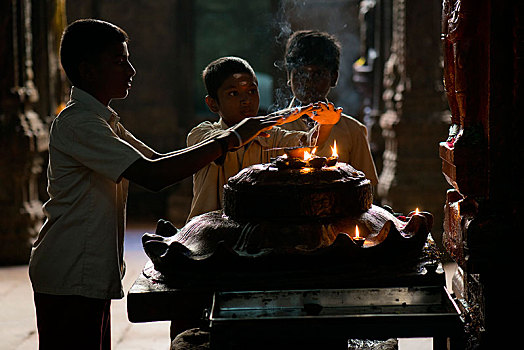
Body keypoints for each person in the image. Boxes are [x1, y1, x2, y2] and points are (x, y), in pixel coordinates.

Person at [28, 19, 286, 350]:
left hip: (83, 270)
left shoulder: (104, 120)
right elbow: (153, 175)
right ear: (88, 71)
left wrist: (228, 142)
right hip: (68, 269)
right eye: (119, 62)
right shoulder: (79, 123)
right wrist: (231, 138)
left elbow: (160, 159)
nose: (131, 71)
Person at [186, 56, 341, 220]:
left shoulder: (271, 136)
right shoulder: (201, 134)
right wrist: (275, 118)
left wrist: (326, 124)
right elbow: (225, 142)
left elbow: (308, 143)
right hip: (207, 234)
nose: (246, 100)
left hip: (254, 232)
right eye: (233, 93)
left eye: (252, 91)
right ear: (212, 104)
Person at [279, 30, 379, 185]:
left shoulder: (353, 131)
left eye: (318, 73)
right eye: (300, 73)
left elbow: (367, 186)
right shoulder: (273, 128)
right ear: (288, 77)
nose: (308, 81)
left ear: (334, 77)